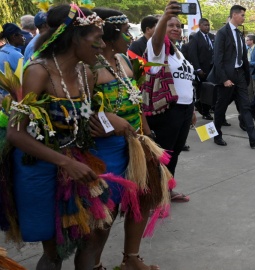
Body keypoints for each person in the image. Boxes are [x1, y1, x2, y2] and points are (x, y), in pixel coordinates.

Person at [2, 4, 124, 269]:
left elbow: (88, 116)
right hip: (39, 166)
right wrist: (66, 163)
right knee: (53, 252)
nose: (102, 46)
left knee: (93, 238)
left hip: (79, 163)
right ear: (74, 37)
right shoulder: (38, 71)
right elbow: (15, 133)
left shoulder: (87, 74)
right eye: (97, 39)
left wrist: (110, 125)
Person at [90, 8, 173, 270]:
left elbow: (137, 103)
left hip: (137, 142)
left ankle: (131, 258)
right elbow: (85, 113)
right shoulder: (89, 67)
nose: (130, 37)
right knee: (107, 212)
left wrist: (146, 133)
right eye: (126, 32)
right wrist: (109, 124)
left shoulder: (124, 60)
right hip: (107, 148)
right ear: (110, 35)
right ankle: (93, 264)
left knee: (143, 197)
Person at [146, 1, 196, 201]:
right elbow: (157, 40)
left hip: (184, 109)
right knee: (163, 156)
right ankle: (155, 196)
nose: (175, 28)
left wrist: (192, 110)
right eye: (170, 25)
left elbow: (187, 83)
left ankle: (167, 190)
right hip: (168, 110)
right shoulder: (157, 50)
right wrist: (165, 16)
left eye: (178, 25)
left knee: (173, 154)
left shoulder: (179, 53)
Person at [207, 4, 255, 148]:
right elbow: (218, 58)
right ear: (234, 15)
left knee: (245, 106)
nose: (244, 18)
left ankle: (253, 138)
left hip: (240, 75)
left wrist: (245, 74)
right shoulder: (222, 33)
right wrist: (224, 79)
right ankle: (216, 134)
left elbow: (242, 56)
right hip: (227, 77)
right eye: (242, 15)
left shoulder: (239, 33)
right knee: (220, 107)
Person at [188, 18, 215, 119]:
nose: (207, 27)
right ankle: (205, 111)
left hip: (212, 69)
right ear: (200, 26)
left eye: (208, 25)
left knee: (211, 90)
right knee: (203, 91)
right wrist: (198, 69)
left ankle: (207, 107)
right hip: (202, 70)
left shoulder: (212, 37)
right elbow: (193, 54)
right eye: (205, 25)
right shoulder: (195, 37)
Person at [0, 23, 25, 100]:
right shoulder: (17, 56)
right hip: (14, 99)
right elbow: (25, 77)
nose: (24, 38)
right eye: (21, 35)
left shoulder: (2, 51)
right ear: (14, 36)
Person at [246, 34, 255, 102]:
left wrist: (248, 63)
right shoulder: (247, 48)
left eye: (247, 40)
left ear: (252, 41)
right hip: (248, 72)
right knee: (249, 90)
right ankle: (250, 105)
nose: (246, 41)